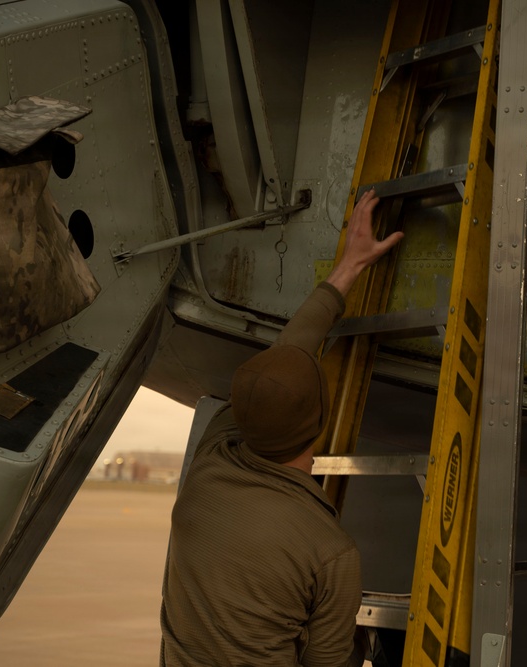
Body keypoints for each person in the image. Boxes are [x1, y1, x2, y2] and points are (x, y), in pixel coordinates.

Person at [160, 189, 403, 666]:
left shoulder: (212, 460)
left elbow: (284, 359)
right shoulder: (329, 551)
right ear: (319, 420)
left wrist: (347, 267)